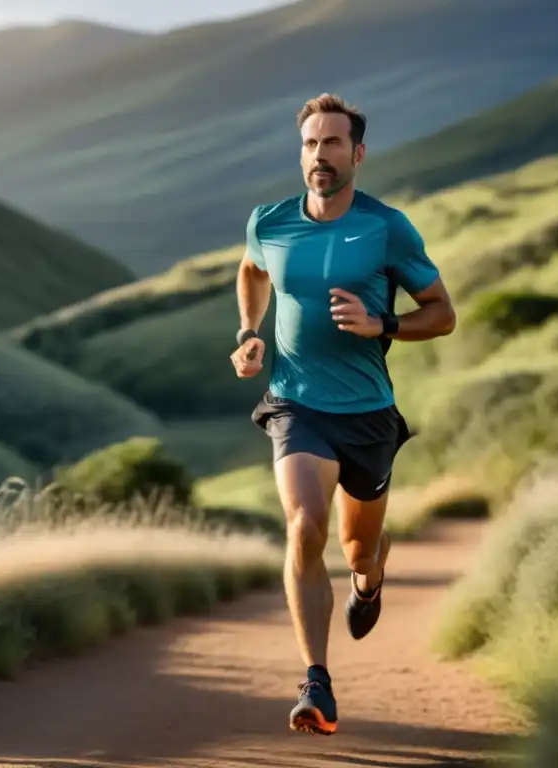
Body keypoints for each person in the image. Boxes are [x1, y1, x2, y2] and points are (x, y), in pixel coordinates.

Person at [230, 93, 456, 736]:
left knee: (357, 547)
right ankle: (317, 685)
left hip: (368, 413)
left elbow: (442, 312)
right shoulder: (269, 222)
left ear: (357, 153)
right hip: (296, 403)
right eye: (310, 143)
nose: (319, 155)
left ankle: (370, 574)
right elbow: (251, 271)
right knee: (304, 524)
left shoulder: (387, 227)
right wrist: (250, 331)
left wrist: (380, 323)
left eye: (332, 143)